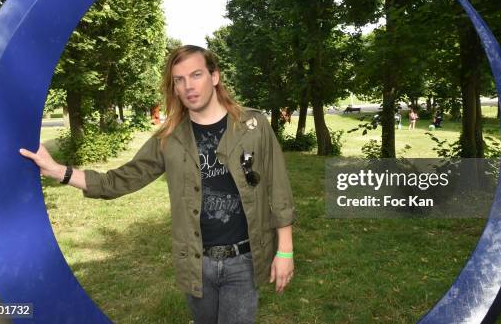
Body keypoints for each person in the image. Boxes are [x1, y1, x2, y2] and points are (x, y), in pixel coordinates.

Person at [19, 45, 295, 324]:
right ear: (174, 87)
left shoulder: (252, 125)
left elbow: (279, 189)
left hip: (243, 261)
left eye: (196, 75)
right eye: (179, 80)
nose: (188, 86)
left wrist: (285, 250)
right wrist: (59, 171)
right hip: (196, 264)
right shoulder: (169, 138)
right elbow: (119, 180)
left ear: (214, 77)